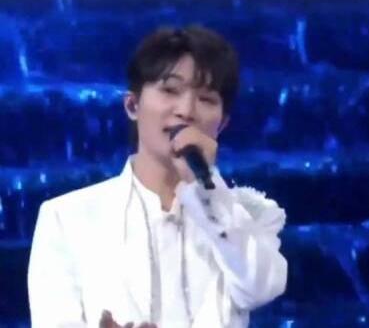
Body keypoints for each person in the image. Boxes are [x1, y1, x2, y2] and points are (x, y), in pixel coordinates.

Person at [28, 25, 287, 328]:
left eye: (206, 99)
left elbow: (259, 288)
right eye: (170, 90)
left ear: (223, 123)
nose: (186, 111)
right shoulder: (67, 218)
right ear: (132, 105)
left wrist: (205, 189)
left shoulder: (249, 216)